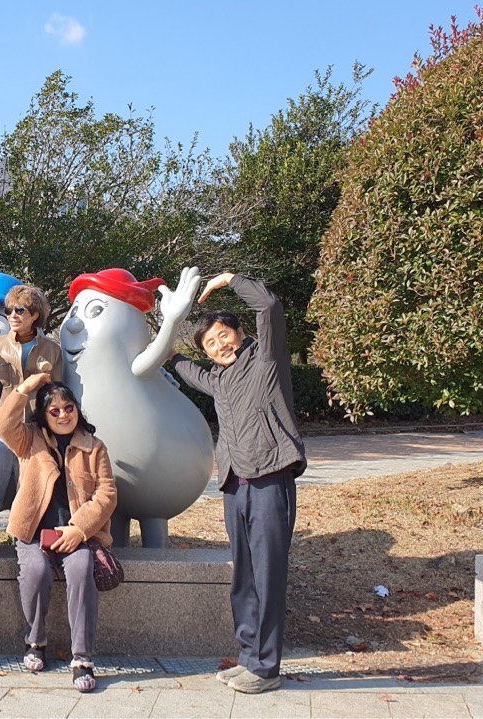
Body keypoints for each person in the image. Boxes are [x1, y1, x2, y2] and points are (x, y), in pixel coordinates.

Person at [169, 272, 306, 695]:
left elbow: (270, 307)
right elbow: (184, 368)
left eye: (224, 335)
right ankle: (248, 657)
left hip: (269, 479)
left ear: (240, 333)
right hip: (235, 484)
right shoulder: (219, 380)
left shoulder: (265, 359)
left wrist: (231, 279)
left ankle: (266, 668)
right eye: (211, 343)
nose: (220, 346)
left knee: (267, 575)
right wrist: (165, 340)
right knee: (244, 576)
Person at [0, 373, 116, 693]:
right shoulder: (29, 439)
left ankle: (82, 657)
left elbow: (107, 493)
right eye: (54, 410)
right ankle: (35, 642)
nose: (63, 415)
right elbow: (3, 424)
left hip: (76, 534)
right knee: (35, 571)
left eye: (69, 408)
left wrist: (79, 529)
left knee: (81, 570)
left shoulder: (94, 447)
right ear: (44, 415)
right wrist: (25, 388)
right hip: (34, 533)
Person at [0, 284, 63, 541]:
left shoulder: (52, 350)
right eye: (8, 310)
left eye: (19, 310)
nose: (12, 315)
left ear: (35, 315)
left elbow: (57, 394)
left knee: (29, 483)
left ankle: (25, 540)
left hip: (34, 428)